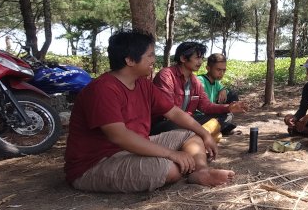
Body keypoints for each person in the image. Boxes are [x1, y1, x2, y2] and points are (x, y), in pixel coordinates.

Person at [64, 30, 235, 193]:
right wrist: (171, 154)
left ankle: (201, 172)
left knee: (191, 134)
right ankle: (183, 167)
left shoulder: (143, 84)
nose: (154, 59)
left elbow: (174, 113)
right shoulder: (103, 89)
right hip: (97, 163)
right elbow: (119, 136)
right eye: (150, 55)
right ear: (130, 60)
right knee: (171, 170)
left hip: (133, 147)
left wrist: (205, 135)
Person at [151, 42, 247, 136]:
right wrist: (194, 124)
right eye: (197, 58)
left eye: (201, 58)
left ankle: (195, 135)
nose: (200, 62)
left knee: (227, 116)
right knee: (184, 124)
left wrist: (229, 107)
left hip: (187, 121)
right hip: (166, 123)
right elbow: (168, 111)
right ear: (183, 58)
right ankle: (200, 134)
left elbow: (206, 106)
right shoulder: (166, 75)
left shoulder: (194, 81)